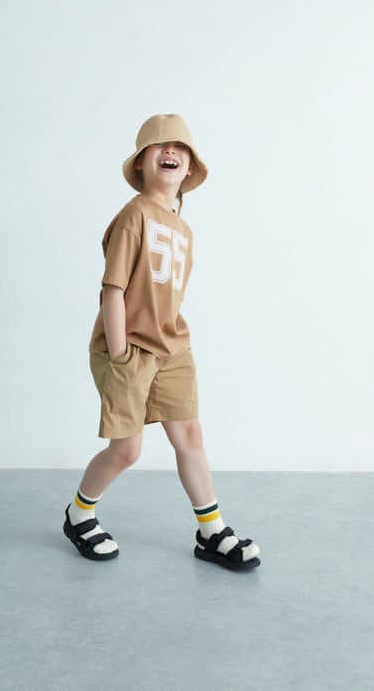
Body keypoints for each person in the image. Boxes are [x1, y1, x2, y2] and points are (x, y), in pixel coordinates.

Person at [63, 114, 260, 571]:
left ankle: (211, 531)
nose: (170, 151)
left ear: (189, 165)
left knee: (190, 435)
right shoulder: (134, 216)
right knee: (127, 450)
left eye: (180, 147)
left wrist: (170, 341)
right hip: (128, 348)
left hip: (172, 348)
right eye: (158, 145)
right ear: (140, 162)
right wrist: (119, 354)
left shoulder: (184, 230)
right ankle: (79, 514)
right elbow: (113, 290)